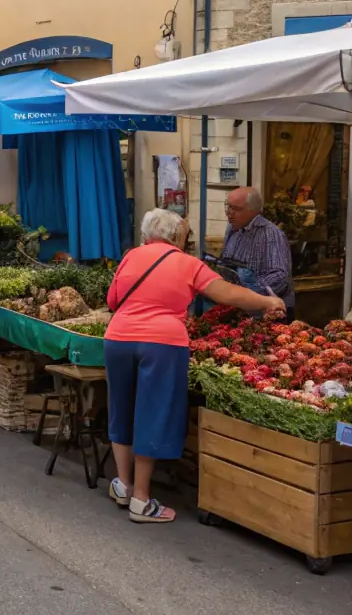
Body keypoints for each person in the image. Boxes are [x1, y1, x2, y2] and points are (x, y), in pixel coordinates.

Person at [106, 208, 286, 523]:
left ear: (147, 235)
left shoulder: (130, 257)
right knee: (152, 414)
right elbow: (227, 294)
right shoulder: (188, 263)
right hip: (162, 344)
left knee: (122, 409)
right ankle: (141, 500)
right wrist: (267, 301)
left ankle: (123, 485)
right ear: (177, 236)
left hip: (118, 339)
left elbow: (113, 300)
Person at [220, 186, 295, 310]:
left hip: (267, 311)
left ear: (252, 210)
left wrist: (249, 292)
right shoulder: (232, 228)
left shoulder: (270, 234)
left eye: (236, 209)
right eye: (228, 206)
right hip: (237, 305)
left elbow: (280, 276)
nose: (229, 213)